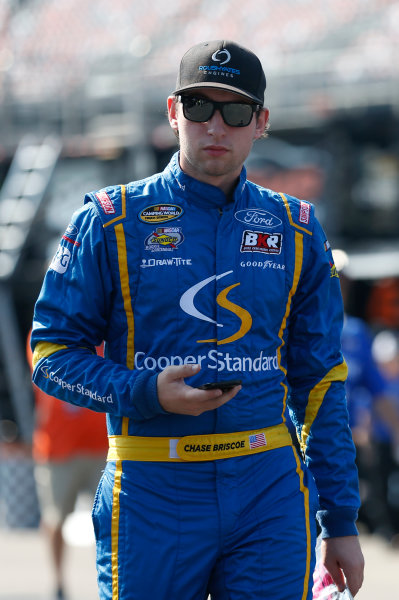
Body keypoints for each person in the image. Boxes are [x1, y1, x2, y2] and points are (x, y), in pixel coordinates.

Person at [30, 40, 364, 599]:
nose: (215, 125)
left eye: (234, 111)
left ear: (260, 123)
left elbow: (321, 380)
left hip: (269, 491)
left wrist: (341, 518)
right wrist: (144, 391)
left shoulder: (298, 228)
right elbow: (50, 356)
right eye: (199, 107)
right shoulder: (110, 221)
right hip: (152, 488)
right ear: (172, 112)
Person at [27, 334, 108, 600]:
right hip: (58, 447)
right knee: (55, 518)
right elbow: (52, 374)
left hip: (103, 446)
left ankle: (112, 580)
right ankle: (59, 583)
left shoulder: (108, 335)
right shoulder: (46, 329)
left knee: (113, 521)